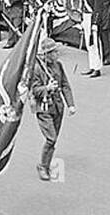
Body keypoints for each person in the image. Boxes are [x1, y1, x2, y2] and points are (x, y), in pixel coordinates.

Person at [27, 38, 76, 181]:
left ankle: (46, 165)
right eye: (54, 52)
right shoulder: (37, 69)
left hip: (57, 106)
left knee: (54, 140)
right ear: (46, 54)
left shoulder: (58, 66)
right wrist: (47, 88)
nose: (57, 54)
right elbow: (34, 89)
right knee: (51, 138)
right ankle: (43, 166)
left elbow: (65, 85)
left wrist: (71, 104)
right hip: (44, 108)